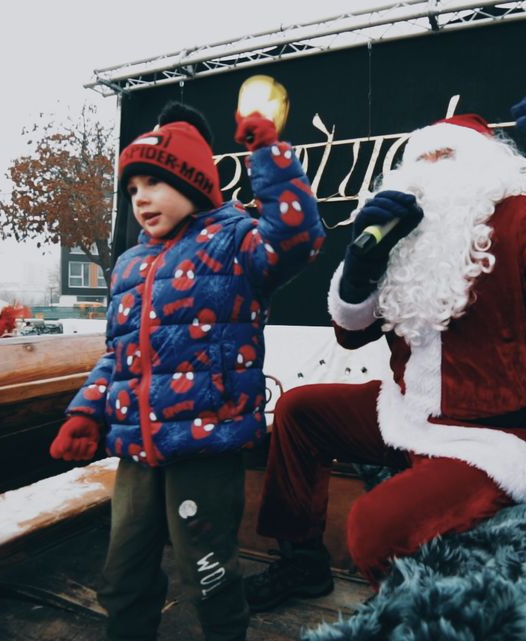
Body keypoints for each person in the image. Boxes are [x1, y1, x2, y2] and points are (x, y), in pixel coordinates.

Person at [243, 74, 526, 610]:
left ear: (487, 168)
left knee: (374, 527)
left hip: (498, 440)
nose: (430, 172)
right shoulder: (403, 234)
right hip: (408, 416)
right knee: (299, 410)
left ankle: (413, 616)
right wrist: (361, 266)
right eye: (420, 160)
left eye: (446, 158)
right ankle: (303, 564)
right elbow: (350, 335)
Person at [50, 101, 324, 641]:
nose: (141, 198)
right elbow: (119, 356)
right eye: (132, 189)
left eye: (153, 181)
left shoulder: (236, 241)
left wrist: (269, 156)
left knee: (209, 576)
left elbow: (298, 236)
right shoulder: (130, 264)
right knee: (122, 576)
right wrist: (86, 412)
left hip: (204, 449)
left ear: (193, 180)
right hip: (136, 453)